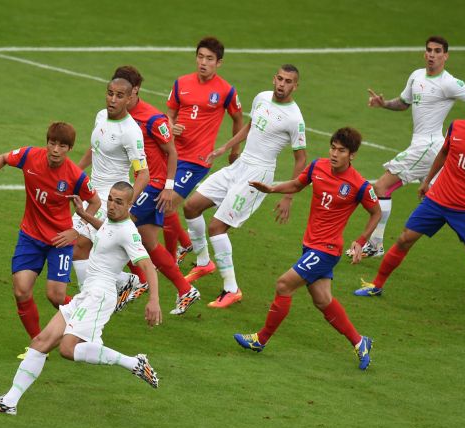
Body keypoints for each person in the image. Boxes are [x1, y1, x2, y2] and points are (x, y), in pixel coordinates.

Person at [0, 182, 162, 416]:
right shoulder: (112, 224)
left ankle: (134, 363)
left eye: (119, 202)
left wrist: (153, 300)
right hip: (86, 294)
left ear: (130, 205)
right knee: (41, 341)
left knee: (68, 348)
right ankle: (9, 401)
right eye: (111, 199)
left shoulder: (129, 232)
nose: (112, 205)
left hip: (100, 296)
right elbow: (107, 231)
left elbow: (148, 266)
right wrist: (85, 215)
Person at [353, 86, 465, 322]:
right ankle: (376, 285)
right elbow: (443, 153)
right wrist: (427, 181)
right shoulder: (456, 127)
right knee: (404, 239)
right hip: (437, 200)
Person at [233, 126, 381, 371]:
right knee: (323, 301)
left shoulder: (359, 185)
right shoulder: (317, 166)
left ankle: (260, 339)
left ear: (352, 155)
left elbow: (376, 212)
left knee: (283, 284)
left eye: (341, 151)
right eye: (332, 148)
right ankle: (360, 341)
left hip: (327, 249)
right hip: (310, 245)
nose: (334, 154)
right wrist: (272, 189)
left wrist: (361, 240)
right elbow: (296, 184)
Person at [349, 35, 465, 265]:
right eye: (429, 50)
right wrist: (384, 104)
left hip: (428, 146)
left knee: (381, 186)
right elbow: (403, 102)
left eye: (437, 51)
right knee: (444, 202)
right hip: (428, 147)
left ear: (445, 56)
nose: (432, 54)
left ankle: (375, 244)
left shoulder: (448, 83)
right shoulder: (416, 76)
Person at [181, 64, 307, 309]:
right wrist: (225, 148)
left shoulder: (294, 118)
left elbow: (301, 158)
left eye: (288, 81)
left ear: (295, 86)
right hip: (239, 166)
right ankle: (204, 262)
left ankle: (231, 289)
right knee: (191, 206)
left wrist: (289, 196)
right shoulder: (261, 97)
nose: (282, 84)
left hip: (258, 174)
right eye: (280, 79)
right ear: (274, 78)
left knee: (217, 227)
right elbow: (251, 126)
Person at [0, 122, 101, 354]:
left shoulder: (75, 175)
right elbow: (2, 157)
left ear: (69, 148)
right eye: (52, 143)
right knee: (21, 290)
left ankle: (89, 319)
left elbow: (95, 202)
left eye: (62, 146)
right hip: (30, 236)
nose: (55, 150)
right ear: (47, 143)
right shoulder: (30, 156)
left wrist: (77, 230)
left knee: (56, 296)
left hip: (59, 242)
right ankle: (37, 344)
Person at [107, 65, 202, 316]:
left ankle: (135, 280)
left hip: (153, 185)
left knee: (116, 226)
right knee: (148, 243)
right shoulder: (122, 117)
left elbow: (172, 152)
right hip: (139, 182)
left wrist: (169, 188)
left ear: (134, 91)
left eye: (123, 92)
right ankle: (185, 289)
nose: (117, 97)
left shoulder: (153, 118)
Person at [163, 36, 243, 264]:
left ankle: (173, 257)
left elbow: (238, 119)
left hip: (197, 159)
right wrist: (170, 125)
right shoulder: (181, 83)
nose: (203, 62)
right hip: (173, 154)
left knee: (168, 205)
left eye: (209, 58)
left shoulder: (226, 91)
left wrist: (233, 150)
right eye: (200, 57)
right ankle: (187, 246)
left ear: (219, 63)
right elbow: (169, 114)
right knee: (161, 204)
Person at [70, 77, 150, 294]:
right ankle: (122, 280)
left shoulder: (130, 132)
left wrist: (126, 202)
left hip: (110, 198)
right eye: (110, 93)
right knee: (77, 247)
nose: (112, 99)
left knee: (78, 247)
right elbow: (95, 148)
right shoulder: (101, 116)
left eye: (119, 95)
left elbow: (143, 173)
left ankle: (87, 297)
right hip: (92, 193)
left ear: (129, 99)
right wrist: (75, 173)